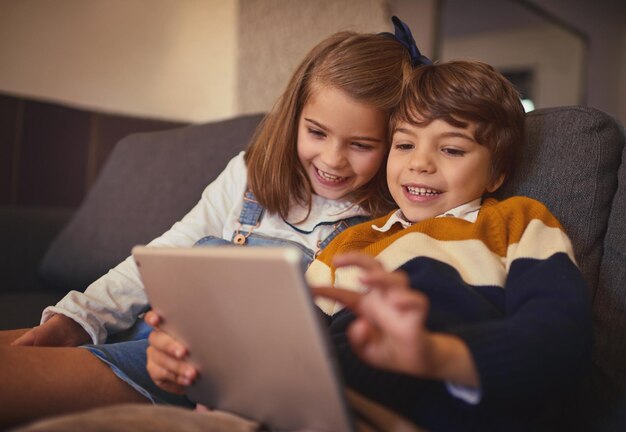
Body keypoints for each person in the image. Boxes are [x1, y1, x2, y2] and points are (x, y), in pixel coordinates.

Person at [0, 22, 415, 427]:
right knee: (30, 343)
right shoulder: (249, 171)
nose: (332, 159)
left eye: (361, 145)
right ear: (294, 119)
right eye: (316, 132)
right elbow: (168, 250)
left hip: (200, 370)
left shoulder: (385, 225)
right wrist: (79, 317)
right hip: (152, 326)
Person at [146, 59, 592, 431]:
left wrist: (436, 355)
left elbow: (560, 339)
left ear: (496, 173)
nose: (419, 163)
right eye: (404, 144)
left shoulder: (517, 222)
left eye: (452, 150)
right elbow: (289, 355)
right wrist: (196, 370)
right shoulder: (350, 243)